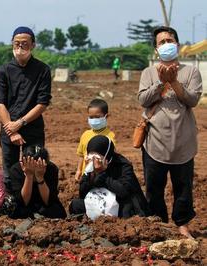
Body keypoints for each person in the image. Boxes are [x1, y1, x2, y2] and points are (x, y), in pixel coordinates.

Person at [138, 26, 202, 238]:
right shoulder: (148, 72)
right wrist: (161, 82)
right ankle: (160, 224)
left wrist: (174, 81)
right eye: (162, 42)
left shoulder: (191, 71)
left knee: (183, 187)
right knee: (154, 187)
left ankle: (182, 224)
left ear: (177, 44)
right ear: (156, 49)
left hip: (183, 141)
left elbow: (192, 100)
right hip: (155, 140)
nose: (166, 44)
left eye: (169, 40)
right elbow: (143, 100)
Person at [0, 26, 52, 191]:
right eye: (16, 43)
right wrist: (11, 130)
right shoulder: (5, 70)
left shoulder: (43, 70)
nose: (20, 47)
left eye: (24, 44)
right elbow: (0, 103)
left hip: (32, 128)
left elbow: (42, 103)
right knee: (9, 171)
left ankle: (33, 205)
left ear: (33, 45)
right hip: (8, 128)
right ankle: (12, 206)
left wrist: (19, 124)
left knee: (35, 166)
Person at [70, 135, 150, 218]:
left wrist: (102, 173)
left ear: (106, 155)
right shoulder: (90, 166)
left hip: (118, 202)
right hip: (99, 200)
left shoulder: (123, 165)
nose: (94, 160)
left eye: (97, 157)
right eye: (91, 156)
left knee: (127, 211)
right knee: (75, 205)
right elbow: (82, 193)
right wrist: (91, 175)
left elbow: (124, 192)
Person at [8, 145, 67, 219]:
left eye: (39, 165)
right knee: (17, 211)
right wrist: (29, 176)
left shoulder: (51, 169)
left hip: (44, 204)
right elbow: (23, 201)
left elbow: (48, 201)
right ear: (24, 162)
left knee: (57, 211)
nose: (35, 168)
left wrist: (40, 178)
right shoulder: (16, 170)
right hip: (25, 205)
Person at [74, 99, 116, 182]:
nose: (94, 120)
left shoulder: (110, 137)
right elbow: (81, 155)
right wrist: (79, 170)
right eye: (91, 117)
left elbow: (110, 158)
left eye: (97, 117)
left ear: (106, 116)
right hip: (86, 175)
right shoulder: (85, 134)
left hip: (102, 177)